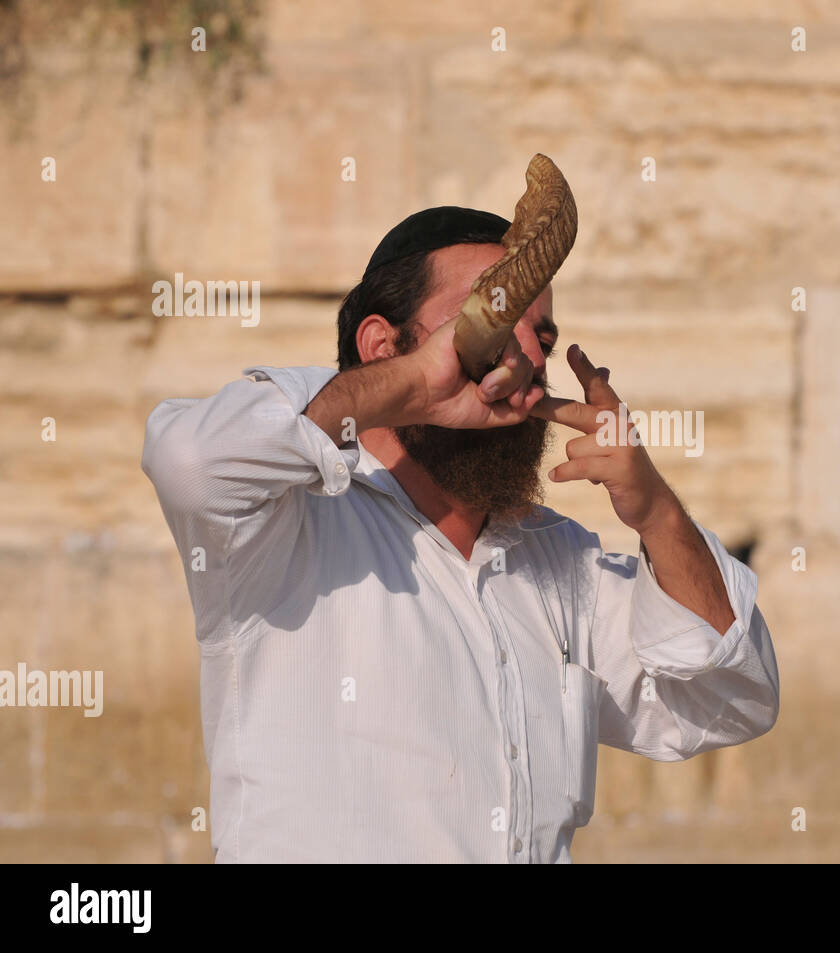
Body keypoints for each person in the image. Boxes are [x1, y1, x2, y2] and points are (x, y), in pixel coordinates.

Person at [141, 206, 779, 863]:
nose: (529, 358)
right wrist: (419, 382)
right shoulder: (288, 524)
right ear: (381, 346)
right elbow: (189, 461)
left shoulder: (557, 564)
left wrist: (656, 514)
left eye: (543, 337)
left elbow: (730, 698)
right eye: (493, 321)